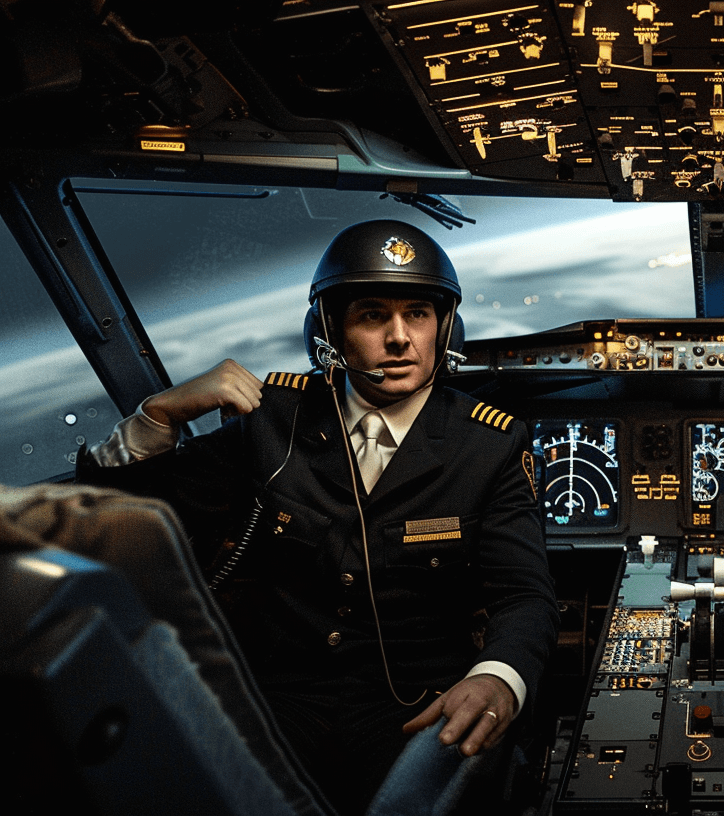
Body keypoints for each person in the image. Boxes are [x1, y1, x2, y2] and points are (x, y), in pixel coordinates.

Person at [77, 219, 558, 814]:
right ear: (330, 331)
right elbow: (111, 518)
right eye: (372, 316)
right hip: (278, 702)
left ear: (445, 327)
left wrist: (499, 677)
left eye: (418, 314)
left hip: (419, 707)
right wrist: (159, 415)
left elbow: (525, 596)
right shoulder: (273, 419)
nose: (400, 337)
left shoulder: (487, 445)